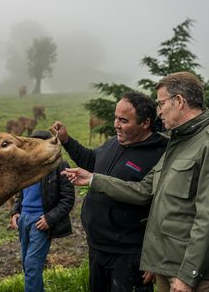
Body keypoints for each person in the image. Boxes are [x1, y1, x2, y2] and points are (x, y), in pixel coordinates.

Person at [62, 72, 209, 292]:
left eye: (161, 104)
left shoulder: (202, 143)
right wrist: (93, 179)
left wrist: (188, 275)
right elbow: (144, 191)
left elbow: (205, 218)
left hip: (185, 274)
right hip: (165, 267)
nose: (159, 111)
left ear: (179, 102)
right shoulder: (176, 143)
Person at [52, 91, 167, 292]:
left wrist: (154, 258)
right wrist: (67, 140)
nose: (116, 124)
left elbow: (159, 208)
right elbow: (92, 161)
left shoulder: (159, 155)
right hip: (97, 247)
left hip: (129, 256)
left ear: (145, 123)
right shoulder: (115, 142)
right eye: (115, 118)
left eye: (123, 120)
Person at [10, 130, 75, 292]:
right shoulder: (27, 167)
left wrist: (49, 219)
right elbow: (21, 194)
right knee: (28, 265)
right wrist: (15, 212)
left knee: (32, 264)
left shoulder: (60, 166)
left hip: (41, 222)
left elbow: (68, 199)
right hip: (24, 220)